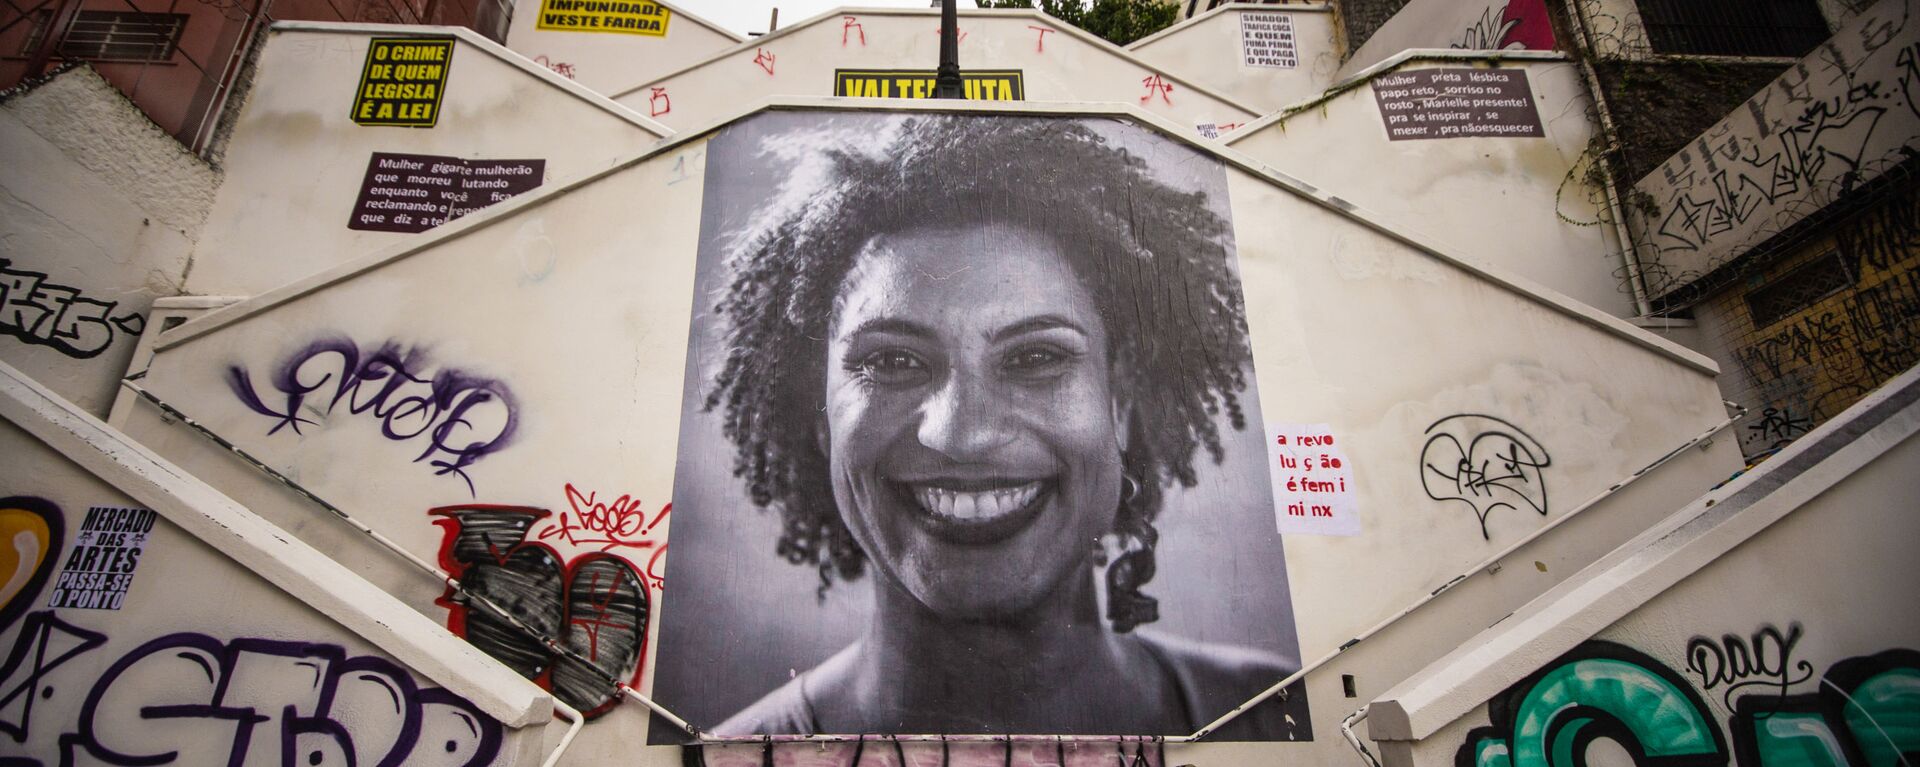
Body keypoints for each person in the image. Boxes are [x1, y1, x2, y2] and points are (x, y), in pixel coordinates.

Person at [699, 114, 1301, 738]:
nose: (963, 434)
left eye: (1036, 357)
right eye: (891, 361)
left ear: (1118, 398)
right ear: (820, 417)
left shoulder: (1274, 716)